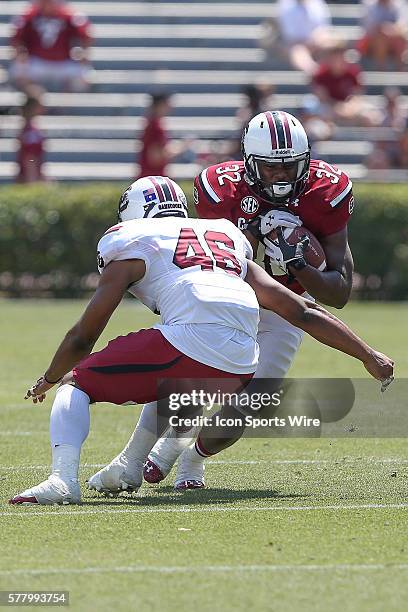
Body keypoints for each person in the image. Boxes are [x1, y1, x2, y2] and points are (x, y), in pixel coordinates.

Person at [10, 176, 394, 505]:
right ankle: (132, 464)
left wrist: (50, 376)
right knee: (180, 377)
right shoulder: (225, 236)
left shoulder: (130, 239)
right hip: (243, 360)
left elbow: (84, 335)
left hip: (191, 340)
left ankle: (62, 481)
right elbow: (301, 311)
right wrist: (367, 355)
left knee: (74, 386)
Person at [88, 110, 389, 492]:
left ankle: (191, 457)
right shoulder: (218, 188)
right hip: (229, 292)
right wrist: (253, 234)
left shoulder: (327, 190)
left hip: (288, 301)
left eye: (290, 167)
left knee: (252, 402)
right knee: (195, 374)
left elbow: (339, 292)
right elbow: (204, 258)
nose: (281, 177)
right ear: (249, 164)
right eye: (269, 168)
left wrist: (298, 264)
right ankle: (136, 460)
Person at [9, 0, 92, 92]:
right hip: (37, 61)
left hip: (63, 62)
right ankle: (33, 101)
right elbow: (16, 38)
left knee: (84, 74)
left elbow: (86, 36)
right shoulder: (29, 15)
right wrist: (21, 54)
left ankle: (66, 103)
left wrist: (83, 54)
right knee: (18, 70)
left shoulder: (69, 15)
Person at [311, 41, 381, 127]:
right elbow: (322, 98)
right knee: (317, 115)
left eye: (340, 54)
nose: (337, 59)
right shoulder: (321, 74)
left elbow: (357, 96)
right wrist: (337, 108)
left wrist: (349, 107)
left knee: (373, 116)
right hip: (329, 108)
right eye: (334, 55)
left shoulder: (353, 72)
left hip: (350, 108)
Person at [275, 0, 333, 75]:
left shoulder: (318, 3)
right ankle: (316, 73)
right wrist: (309, 42)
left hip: (316, 42)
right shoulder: (285, 5)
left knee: (331, 44)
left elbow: (324, 27)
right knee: (298, 51)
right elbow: (290, 36)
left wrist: (317, 38)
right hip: (295, 44)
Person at [359, 0, 407, 70]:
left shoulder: (400, 4)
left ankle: (400, 70)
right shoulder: (369, 5)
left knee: (400, 39)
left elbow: (402, 26)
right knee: (380, 40)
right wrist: (386, 30)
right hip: (371, 43)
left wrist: (388, 30)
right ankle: (381, 70)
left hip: (394, 38)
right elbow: (371, 27)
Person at [16, 92, 45, 183]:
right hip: (29, 177)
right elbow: (30, 158)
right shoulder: (30, 131)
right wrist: (32, 179)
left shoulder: (28, 128)